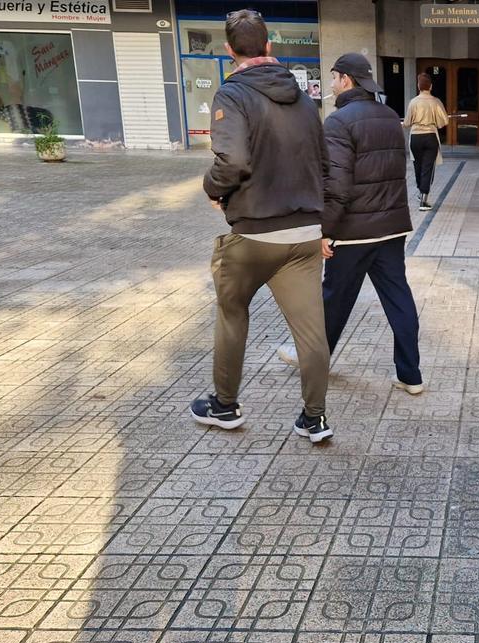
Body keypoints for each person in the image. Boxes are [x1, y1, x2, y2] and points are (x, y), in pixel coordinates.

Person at [190, 9, 334, 443]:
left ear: (230, 51)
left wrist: (213, 189)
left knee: (232, 313)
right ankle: (315, 419)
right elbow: (325, 165)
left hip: (253, 234)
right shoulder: (306, 100)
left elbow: (232, 160)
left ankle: (225, 405)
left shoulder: (232, 96)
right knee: (311, 332)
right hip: (305, 234)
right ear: (269, 47)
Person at [277, 53, 424, 396]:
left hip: (354, 233)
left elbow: (336, 186)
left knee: (333, 298)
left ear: (345, 80)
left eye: (332, 77)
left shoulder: (339, 122)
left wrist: (324, 230)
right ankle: (411, 375)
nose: (330, 84)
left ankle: (309, 357)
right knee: (398, 298)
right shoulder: (390, 117)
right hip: (392, 228)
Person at [402, 73, 449, 211]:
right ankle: (424, 199)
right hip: (430, 137)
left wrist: (405, 123)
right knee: (428, 167)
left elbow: (407, 122)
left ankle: (421, 191)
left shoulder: (413, 102)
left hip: (415, 137)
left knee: (418, 165)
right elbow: (444, 121)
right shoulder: (436, 101)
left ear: (419, 86)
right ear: (431, 86)